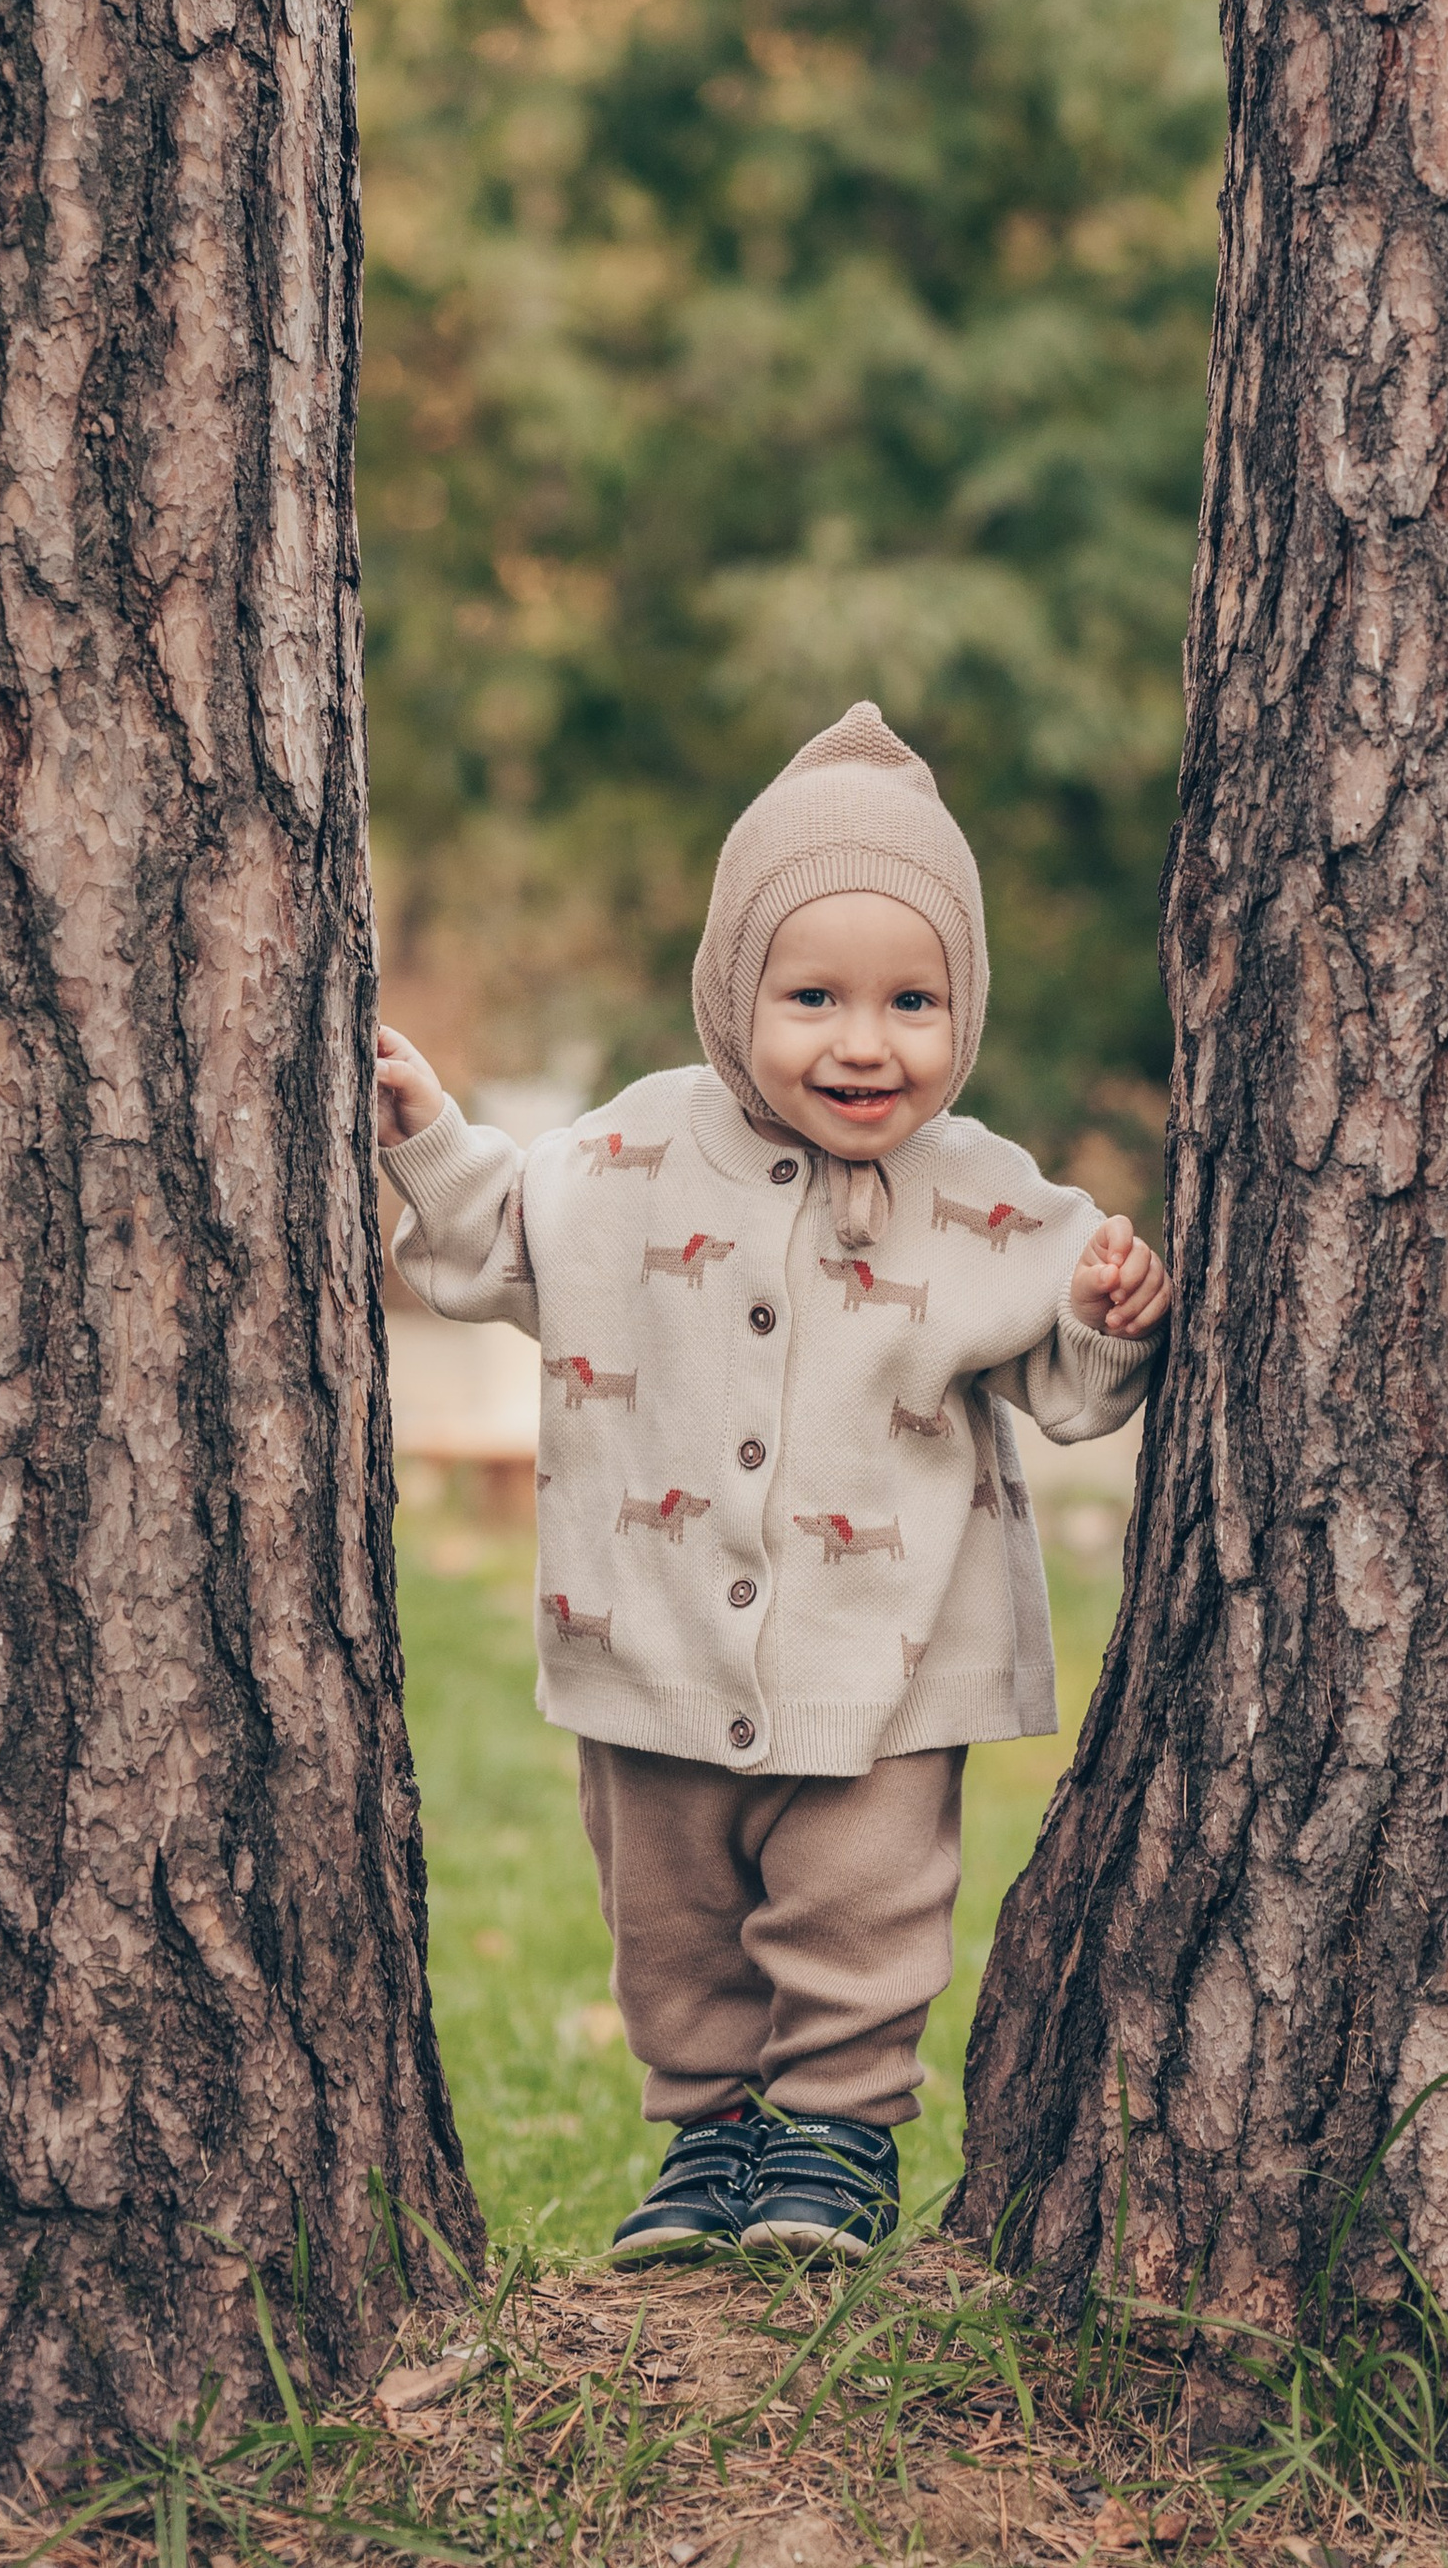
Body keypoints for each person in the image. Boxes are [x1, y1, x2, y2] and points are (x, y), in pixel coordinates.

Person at [374, 701, 1171, 2259]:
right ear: (735, 991)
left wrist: (1107, 1308)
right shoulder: (630, 1152)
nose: (864, 1040)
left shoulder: (990, 1196)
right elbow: (500, 1242)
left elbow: (1077, 1390)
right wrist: (432, 1140)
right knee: (667, 1903)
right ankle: (707, 2133)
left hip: (885, 1656)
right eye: (813, 994)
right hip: (650, 1626)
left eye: (913, 999)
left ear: (965, 1007)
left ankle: (836, 2135)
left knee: (858, 1897)